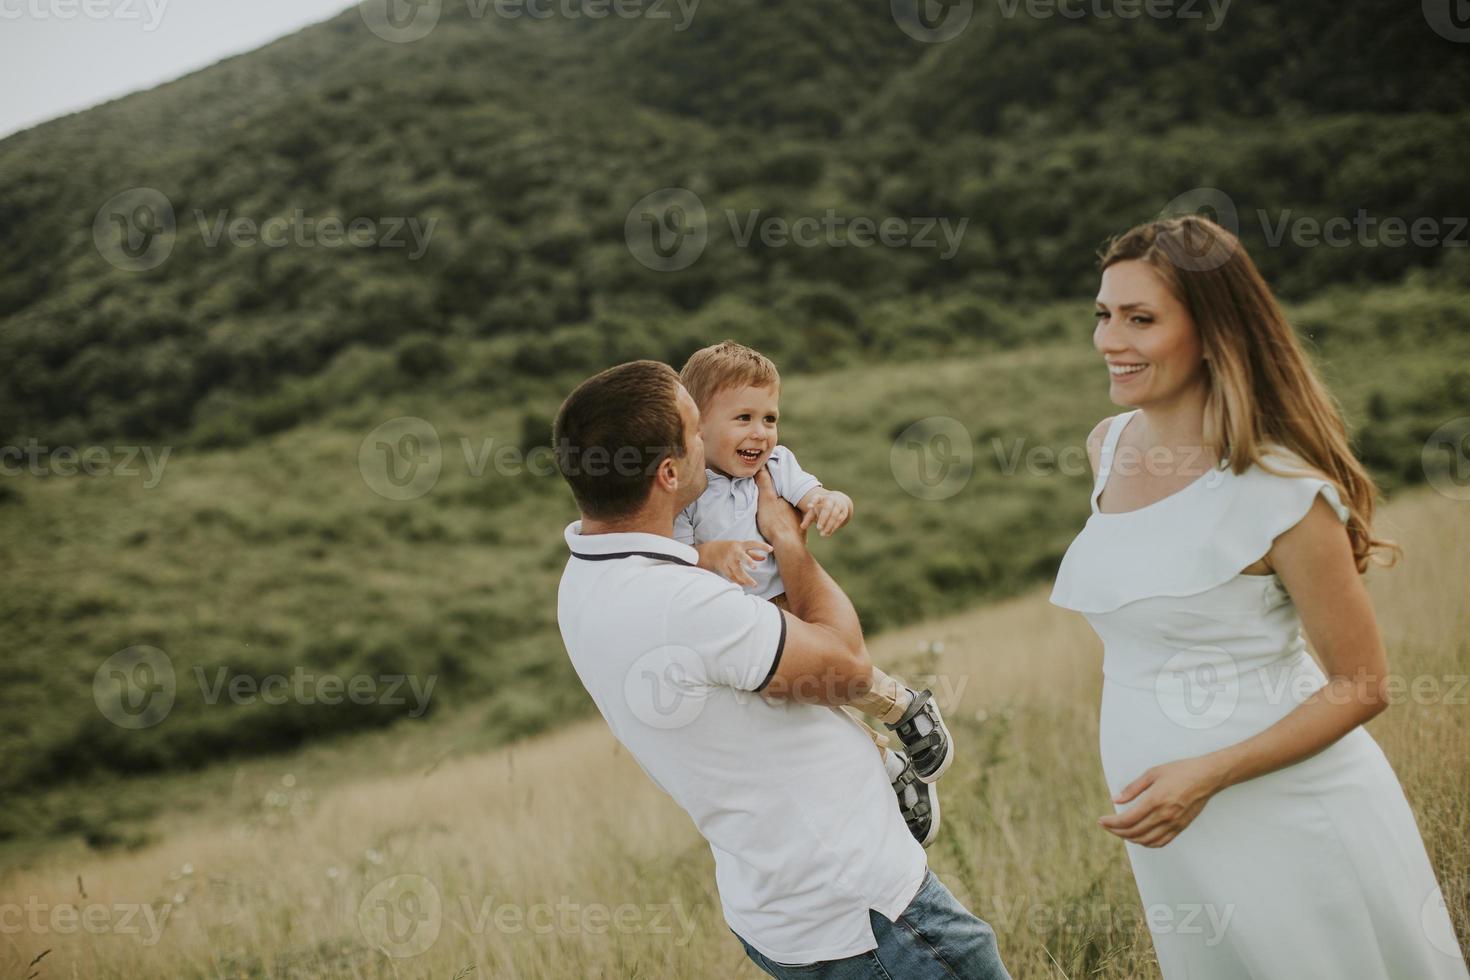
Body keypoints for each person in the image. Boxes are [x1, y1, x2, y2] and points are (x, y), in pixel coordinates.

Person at [1050, 215, 1470, 978]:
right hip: (1175, 832)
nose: (1111, 340)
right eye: (1104, 314)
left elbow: (1363, 684)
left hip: (1289, 814)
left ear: (1213, 331)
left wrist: (1205, 774)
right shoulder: (1106, 448)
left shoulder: (1281, 490)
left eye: (1141, 319)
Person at [553, 360, 1011, 979]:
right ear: (668, 473)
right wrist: (787, 540)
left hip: (782, 902)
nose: (709, 446)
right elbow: (848, 667)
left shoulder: (585, 578)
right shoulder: (682, 603)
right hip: (858, 906)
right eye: (694, 433)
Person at [675, 340, 955, 846]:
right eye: (743, 418)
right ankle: (888, 767)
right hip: (748, 620)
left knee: (837, 677)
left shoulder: (777, 464)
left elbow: (813, 491)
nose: (760, 433)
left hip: (792, 604)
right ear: (696, 425)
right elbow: (679, 555)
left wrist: (832, 502)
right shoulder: (690, 491)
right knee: (810, 712)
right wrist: (714, 554)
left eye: (770, 418)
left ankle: (904, 707)